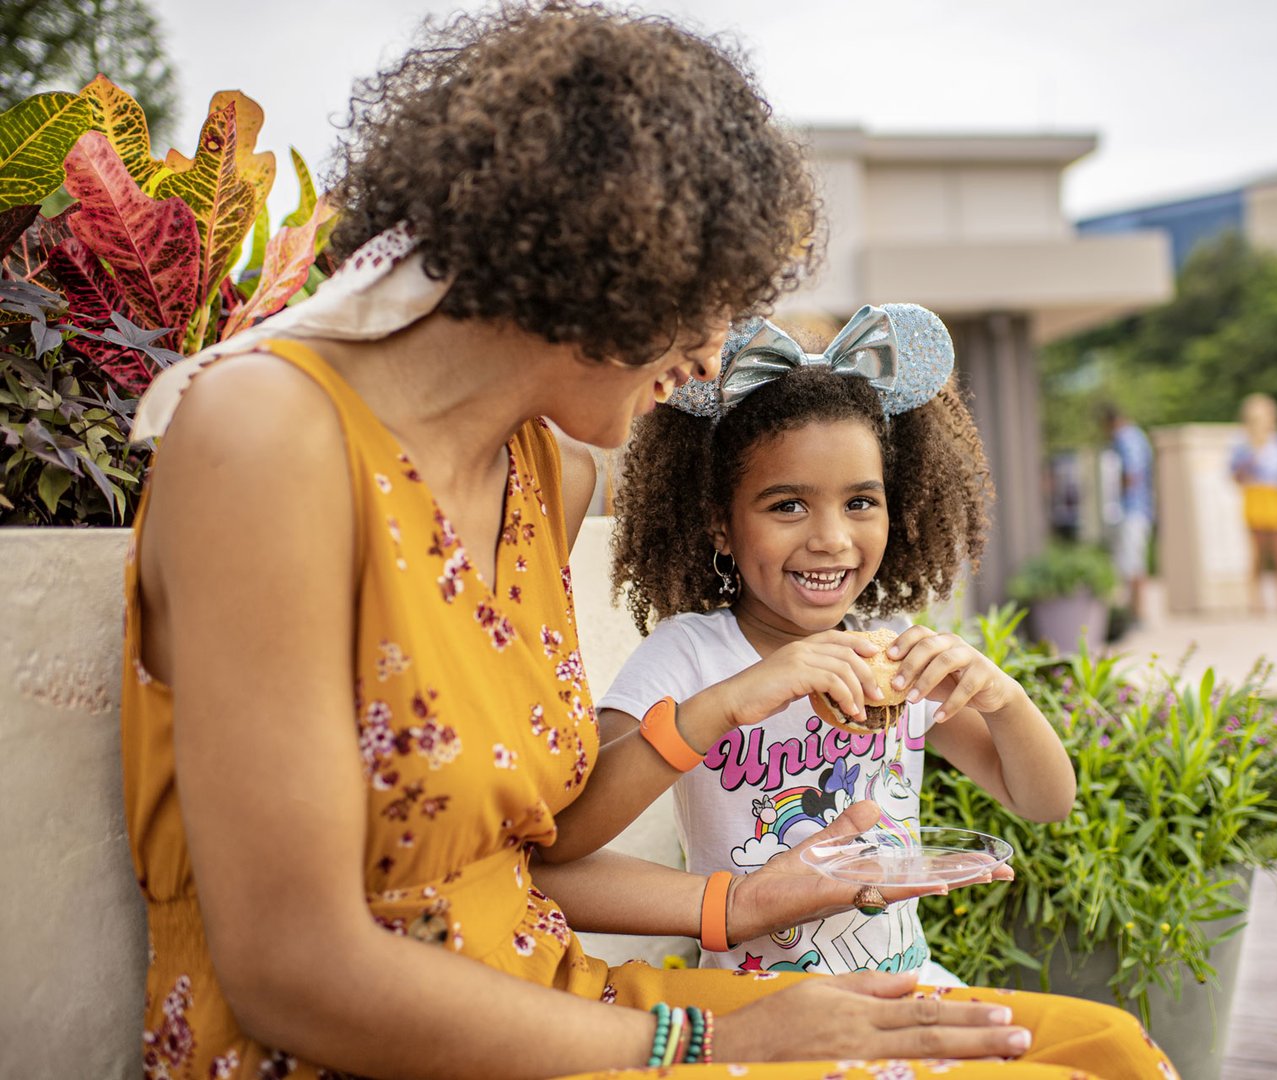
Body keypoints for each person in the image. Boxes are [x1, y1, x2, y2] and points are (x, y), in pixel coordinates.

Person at [118, 4, 1173, 1078]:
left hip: (559, 999)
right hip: (395, 1047)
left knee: (1104, 1049)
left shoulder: (551, 473)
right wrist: (715, 1034)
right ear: (605, 257)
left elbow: (538, 852)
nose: (715, 357)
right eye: (708, 298)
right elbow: (293, 970)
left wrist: (748, 907)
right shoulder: (265, 435)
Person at [592, 307, 1076, 985]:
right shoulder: (691, 657)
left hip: (903, 984)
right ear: (720, 525)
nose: (830, 538)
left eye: (860, 502)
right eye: (787, 505)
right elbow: (576, 823)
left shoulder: (899, 658)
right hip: (756, 1005)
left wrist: (1004, 699)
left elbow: (1044, 800)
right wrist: (727, 703)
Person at [1229, 393, 1277, 616]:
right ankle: (1256, 599)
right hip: (1255, 493)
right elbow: (1234, 475)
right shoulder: (1241, 442)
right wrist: (1248, 463)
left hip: (1274, 494)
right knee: (1258, 551)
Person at [1100, 404, 1154, 626]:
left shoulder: (1125, 439)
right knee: (1134, 562)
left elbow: (1132, 475)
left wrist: (1111, 492)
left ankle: (1138, 615)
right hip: (1140, 509)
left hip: (1131, 510)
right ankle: (1136, 613)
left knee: (1133, 564)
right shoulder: (1137, 436)